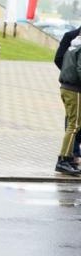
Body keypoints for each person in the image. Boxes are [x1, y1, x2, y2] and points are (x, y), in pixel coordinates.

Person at [56, 32, 81, 175]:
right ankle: (64, 160)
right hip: (75, 90)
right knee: (74, 126)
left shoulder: (74, 45)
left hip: (66, 87)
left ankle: (68, 159)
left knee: (73, 124)